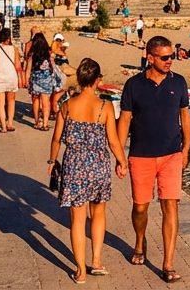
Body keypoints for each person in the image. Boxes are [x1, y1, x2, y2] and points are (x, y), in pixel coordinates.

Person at [117, 36, 190, 284]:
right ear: (150, 58)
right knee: (140, 207)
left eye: (172, 56)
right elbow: (124, 120)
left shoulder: (179, 83)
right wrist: (119, 156)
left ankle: (168, 264)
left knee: (170, 205)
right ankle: (140, 241)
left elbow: (185, 116)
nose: (171, 61)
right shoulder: (133, 85)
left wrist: (187, 147)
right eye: (165, 57)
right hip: (141, 155)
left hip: (171, 154)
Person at [49, 59, 128, 283]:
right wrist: (122, 162)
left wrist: (51, 160)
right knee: (98, 214)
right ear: (97, 80)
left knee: (77, 219)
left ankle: (80, 272)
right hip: (98, 165)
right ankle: (96, 261)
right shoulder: (105, 107)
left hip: (74, 164)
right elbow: (113, 142)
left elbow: (56, 139)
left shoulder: (66, 105)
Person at [0, 30, 21, 133]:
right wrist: (21, 78)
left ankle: (3, 126)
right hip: (11, 77)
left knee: (0, 104)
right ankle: (10, 123)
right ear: (8, 39)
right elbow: (17, 65)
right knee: (11, 101)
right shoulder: (14, 49)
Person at [25, 34, 57, 131]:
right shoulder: (48, 53)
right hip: (46, 80)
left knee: (35, 101)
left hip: (35, 80)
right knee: (46, 102)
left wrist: (26, 80)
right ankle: (45, 124)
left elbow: (28, 69)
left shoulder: (32, 54)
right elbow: (53, 67)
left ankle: (36, 122)